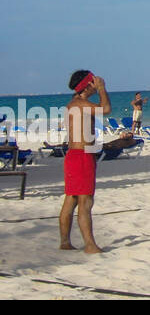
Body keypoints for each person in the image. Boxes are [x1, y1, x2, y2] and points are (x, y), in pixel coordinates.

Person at [59, 71, 110, 253]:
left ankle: (65, 241)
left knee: (71, 199)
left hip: (73, 155)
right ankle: (90, 245)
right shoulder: (81, 104)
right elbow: (105, 109)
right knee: (85, 201)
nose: (95, 85)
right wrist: (102, 88)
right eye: (93, 82)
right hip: (82, 155)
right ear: (87, 85)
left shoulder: (72, 104)